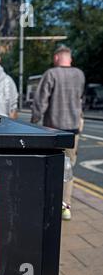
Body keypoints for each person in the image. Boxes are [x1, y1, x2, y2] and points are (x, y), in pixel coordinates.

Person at [31, 46, 85, 221]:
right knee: (68, 169)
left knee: (51, 166)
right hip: (73, 130)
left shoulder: (51, 74)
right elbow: (79, 99)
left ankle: (49, 202)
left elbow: (40, 102)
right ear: (70, 58)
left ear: (56, 58)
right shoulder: (80, 75)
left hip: (53, 130)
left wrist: (34, 120)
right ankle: (65, 206)